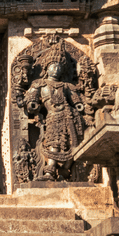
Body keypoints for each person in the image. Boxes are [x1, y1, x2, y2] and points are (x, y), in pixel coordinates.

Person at [23, 43, 89, 181]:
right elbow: (31, 101)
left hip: (70, 116)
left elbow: (76, 102)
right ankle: (50, 172)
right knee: (54, 143)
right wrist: (33, 104)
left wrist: (79, 106)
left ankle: (65, 171)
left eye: (59, 67)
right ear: (47, 68)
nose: (56, 69)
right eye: (53, 66)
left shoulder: (66, 86)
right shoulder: (39, 84)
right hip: (53, 116)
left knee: (73, 143)